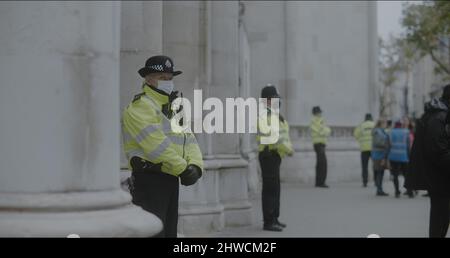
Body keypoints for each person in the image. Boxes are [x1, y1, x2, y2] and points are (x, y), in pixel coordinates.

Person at [121, 55, 204, 237]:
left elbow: (188, 138)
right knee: (154, 234)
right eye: (162, 78)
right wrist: (183, 169)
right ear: (148, 79)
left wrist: (196, 165)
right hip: (150, 180)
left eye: (170, 78)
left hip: (170, 178)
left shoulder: (173, 106)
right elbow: (156, 146)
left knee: (169, 233)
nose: (167, 82)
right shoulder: (141, 106)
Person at [414, 84, 450, 238]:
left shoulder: (440, 115)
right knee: (439, 224)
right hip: (442, 182)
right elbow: (438, 153)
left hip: (442, 181)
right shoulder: (438, 118)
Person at [257, 84, 294, 232]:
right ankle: (268, 221)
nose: (277, 101)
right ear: (266, 100)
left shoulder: (275, 115)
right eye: (274, 98)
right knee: (270, 190)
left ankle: (275, 218)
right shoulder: (265, 116)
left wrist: (286, 149)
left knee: (275, 189)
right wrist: (288, 150)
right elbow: (274, 138)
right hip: (268, 155)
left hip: (275, 155)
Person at [388, 121, 412, 198]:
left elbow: (389, 144)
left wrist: (387, 156)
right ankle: (410, 192)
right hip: (403, 156)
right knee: (406, 175)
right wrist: (409, 156)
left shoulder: (391, 132)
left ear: (395, 126)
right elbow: (408, 145)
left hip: (393, 156)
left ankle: (397, 192)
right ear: (401, 126)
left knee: (395, 175)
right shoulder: (406, 132)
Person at [310, 106, 331, 188]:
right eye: (319, 112)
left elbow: (328, 130)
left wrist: (323, 130)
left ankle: (319, 182)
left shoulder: (322, 120)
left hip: (322, 143)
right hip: (318, 143)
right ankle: (320, 182)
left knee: (320, 163)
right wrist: (323, 130)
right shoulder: (313, 120)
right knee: (322, 163)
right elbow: (319, 131)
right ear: (316, 112)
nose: (320, 113)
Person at [354, 114, 375, 187]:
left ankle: (365, 182)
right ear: (371, 118)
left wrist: (360, 140)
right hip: (373, 148)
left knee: (364, 166)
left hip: (364, 148)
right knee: (375, 165)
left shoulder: (361, 125)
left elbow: (356, 135)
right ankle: (376, 181)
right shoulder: (374, 124)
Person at [371, 119, 390, 196]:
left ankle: (379, 188)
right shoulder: (377, 132)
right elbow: (377, 142)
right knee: (380, 172)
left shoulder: (381, 131)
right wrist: (386, 143)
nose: (386, 125)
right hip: (378, 155)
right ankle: (379, 189)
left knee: (380, 172)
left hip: (381, 154)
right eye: (384, 123)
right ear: (381, 124)